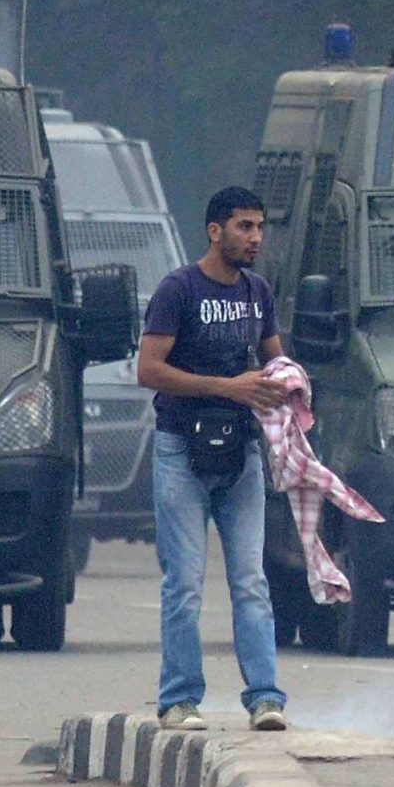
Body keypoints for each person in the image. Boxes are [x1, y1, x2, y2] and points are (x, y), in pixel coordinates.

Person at [135, 186, 289, 732]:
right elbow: (149, 370)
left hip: (241, 452)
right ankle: (179, 700)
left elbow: (275, 363)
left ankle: (266, 698)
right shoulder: (179, 290)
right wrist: (227, 386)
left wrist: (290, 388)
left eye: (260, 227)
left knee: (251, 580)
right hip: (181, 448)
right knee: (185, 582)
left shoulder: (257, 292)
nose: (255, 238)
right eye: (244, 227)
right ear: (214, 231)